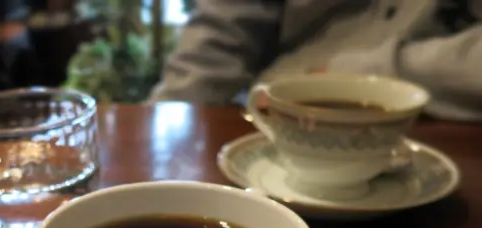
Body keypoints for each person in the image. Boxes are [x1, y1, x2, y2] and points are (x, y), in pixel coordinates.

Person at [151, 0, 482, 121]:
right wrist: (163, 120)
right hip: (265, 118)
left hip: (449, 125)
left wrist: (364, 74)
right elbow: (216, 40)